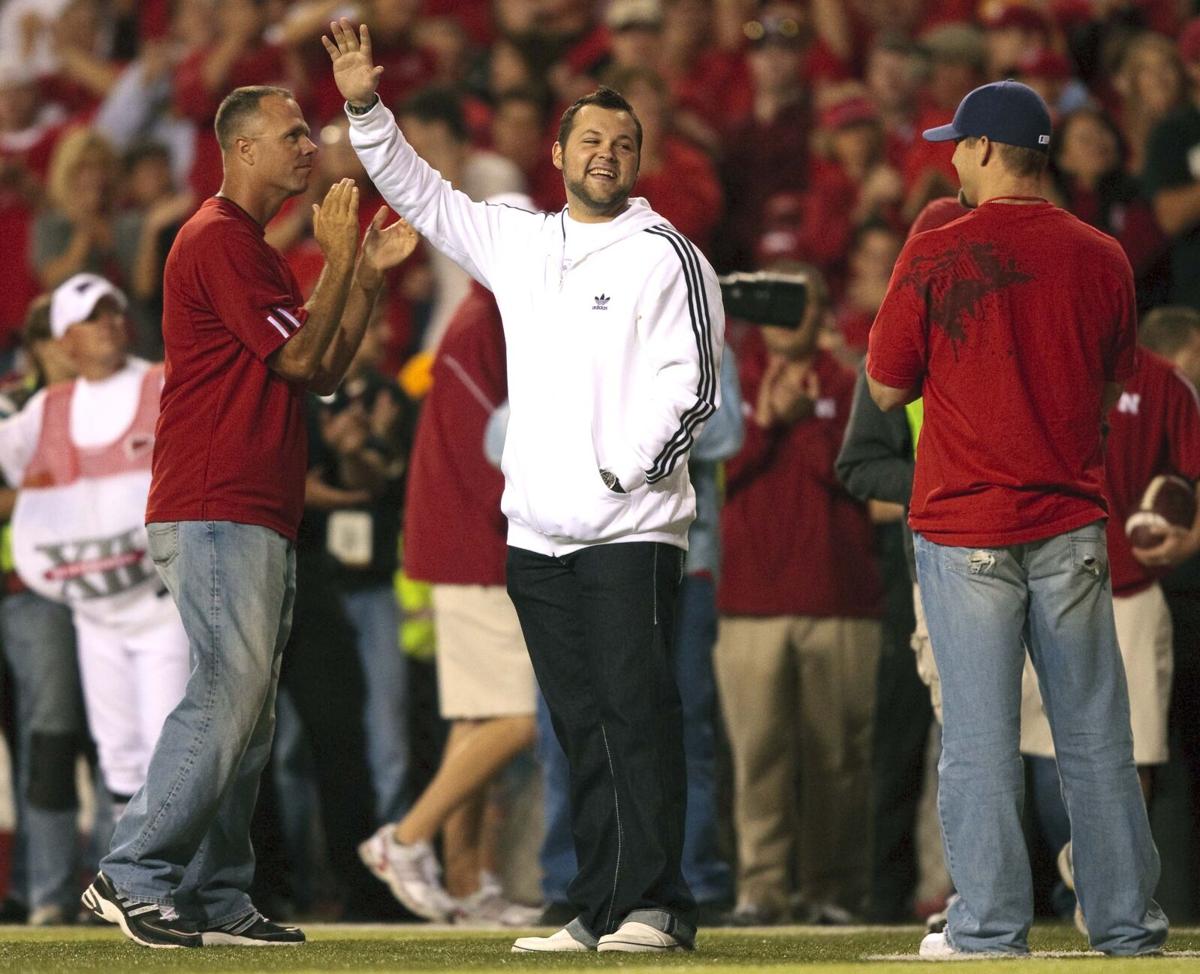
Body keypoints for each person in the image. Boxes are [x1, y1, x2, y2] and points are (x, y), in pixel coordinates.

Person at [324, 18, 723, 954]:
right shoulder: (519, 241)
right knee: (577, 728)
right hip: (537, 539)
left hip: (631, 531)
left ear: (640, 159)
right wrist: (364, 109)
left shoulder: (668, 254)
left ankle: (656, 906)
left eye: (623, 144)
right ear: (558, 152)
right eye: (590, 139)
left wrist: (620, 474)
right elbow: (421, 193)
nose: (606, 155)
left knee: (636, 718)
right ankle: (594, 908)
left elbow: (693, 387)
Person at [80, 83, 415, 948]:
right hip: (215, 502)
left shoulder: (249, 246)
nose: (311, 146)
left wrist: (364, 280)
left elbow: (324, 372)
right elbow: (305, 354)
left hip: (252, 506)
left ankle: (219, 897)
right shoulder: (218, 238)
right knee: (231, 695)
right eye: (293, 134)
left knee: (251, 712)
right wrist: (337, 260)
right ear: (241, 151)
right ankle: (131, 872)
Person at [867, 79, 1168, 958]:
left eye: (959, 144)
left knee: (979, 739)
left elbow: (885, 386)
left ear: (991, 150)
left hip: (965, 531)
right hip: (1071, 523)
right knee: (1095, 737)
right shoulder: (1105, 254)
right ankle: (1124, 926)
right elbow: (1113, 381)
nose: (952, 157)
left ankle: (990, 928)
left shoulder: (938, 247)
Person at [359, 266, 541, 928]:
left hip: (467, 545)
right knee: (522, 717)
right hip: (478, 548)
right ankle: (403, 840)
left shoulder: (480, 320)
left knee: (475, 721)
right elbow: (487, 455)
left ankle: (468, 882)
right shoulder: (485, 324)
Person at [0, 274, 190, 832]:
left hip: (161, 608)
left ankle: (179, 883)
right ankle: (134, 883)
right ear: (63, 341)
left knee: (169, 747)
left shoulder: (161, 384)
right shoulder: (49, 408)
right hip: (93, 614)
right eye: (91, 316)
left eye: (113, 311)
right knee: (118, 753)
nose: (108, 323)